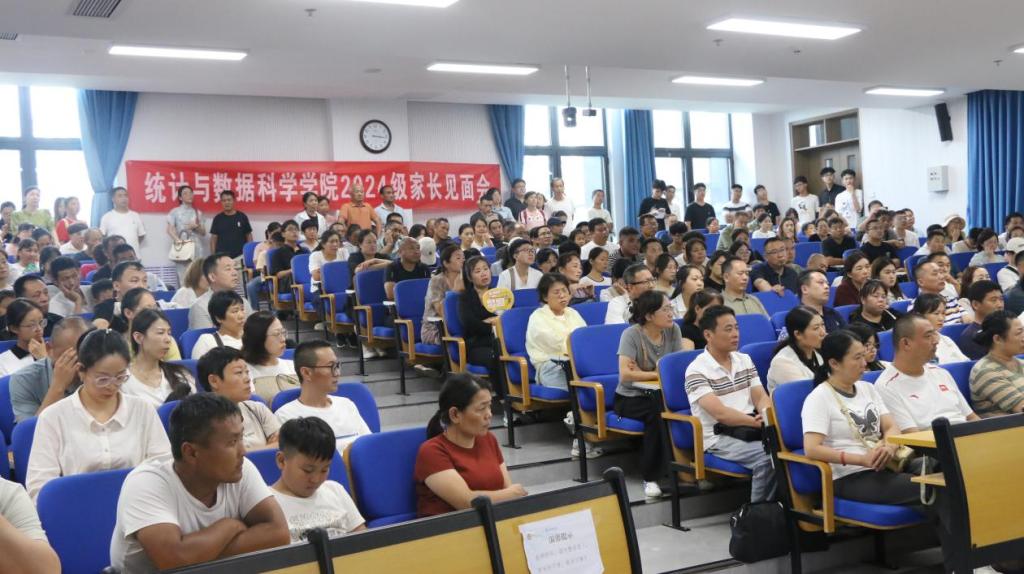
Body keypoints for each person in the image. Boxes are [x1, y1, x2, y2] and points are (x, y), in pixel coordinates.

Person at [109, 393, 290, 573]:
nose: (243, 451)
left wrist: (200, 553)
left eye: (241, 438)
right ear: (191, 452)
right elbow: (173, 561)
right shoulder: (146, 483)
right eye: (232, 442)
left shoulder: (241, 468)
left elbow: (279, 533)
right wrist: (229, 526)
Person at [27, 328, 171, 501]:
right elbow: (40, 487)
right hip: (76, 506)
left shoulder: (142, 410)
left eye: (120, 377)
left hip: (138, 504)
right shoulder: (53, 417)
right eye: (102, 379)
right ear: (81, 371)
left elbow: (163, 466)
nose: (111, 386)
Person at [801, 330, 921, 509]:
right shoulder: (819, 397)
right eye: (857, 358)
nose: (864, 363)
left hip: (886, 464)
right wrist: (861, 460)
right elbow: (812, 449)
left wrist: (889, 447)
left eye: (863, 356)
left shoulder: (867, 388)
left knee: (945, 470)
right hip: (851, 474)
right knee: (930, 487)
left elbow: (891, 427)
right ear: (834, 363)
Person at [684, 305, 775, 502]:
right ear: (708, 335)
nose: (735, 334)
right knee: (769, 457)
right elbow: (721, 414)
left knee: (788, 451)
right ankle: (757, 514)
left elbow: (760, 397)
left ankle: (781, 510)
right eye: (728, 329)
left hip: (751, 427)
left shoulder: (744, 359)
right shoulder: (696, 370)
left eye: (736, 328)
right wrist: (755, 422)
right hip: (718, 437)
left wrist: (767, 416)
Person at [415, 374, 523, 517]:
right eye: (481, 408)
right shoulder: (431, 451)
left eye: (489, 406)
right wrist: (511, 493)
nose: (489, 414)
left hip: (489, 522)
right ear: (455, 415)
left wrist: (509, 494)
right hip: (450, 528)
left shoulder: (488, 439)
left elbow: (506, 488)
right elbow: (467, 502)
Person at [610, 290, 683, 498]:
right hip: (630, 398)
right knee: (656, 412)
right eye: (666, 309)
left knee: (679, 409)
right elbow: (626, 375)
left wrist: (643, 372)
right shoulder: (631, 335)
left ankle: (686, 469)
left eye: (671, 308)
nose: (671, 313)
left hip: (661, 394)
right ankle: (651, 477)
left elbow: (676, 367)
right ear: (649, 315)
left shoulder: (673, 330)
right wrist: (657, 373)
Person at [876, 314, 979, 433]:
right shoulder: (887, 386)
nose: (936, 341)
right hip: (935, 441)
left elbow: (972, 418)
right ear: (906, 343)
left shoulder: (941, 373)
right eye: (928, 336)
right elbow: (913, 436)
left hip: (968, 436)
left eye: (935, 334)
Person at [270, 418, 364, 543]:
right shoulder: (267, 504)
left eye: (324, 470)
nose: (316, 479)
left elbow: (364, 542)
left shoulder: (335, 490)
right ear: (282, 460)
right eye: (307, 470)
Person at [197, 346, 280, 450]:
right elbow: (226, 456)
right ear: (214, 381)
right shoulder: (204, 420)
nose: (247, 379)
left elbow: (283, 445)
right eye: (239, 372)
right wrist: (267, 447)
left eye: (247, 372)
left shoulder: (257, 408)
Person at [10, 316, 88, 423]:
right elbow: (30, 431)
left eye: (87, 355)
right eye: (72, 356)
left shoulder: (99, 369)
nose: (82, 363)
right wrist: (58, 387)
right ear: (49, 349)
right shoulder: (24, 379)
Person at [526, 273, 587, 396]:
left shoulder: (573, 313)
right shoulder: (538, 317)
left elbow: (585, 338)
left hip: (576, 363)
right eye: (556, 292)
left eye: (564, 290)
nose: (562, 295)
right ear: (545, 297)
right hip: (552, 366)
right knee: (584, 388)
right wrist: (579, 353)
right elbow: (557, 345)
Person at [126, 308, 196, 407]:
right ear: (138, 337)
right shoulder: (123, 380)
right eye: (160, 332)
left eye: (169, 333)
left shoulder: (181, 374)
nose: (168, 339)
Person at [968, 311, 1024, 417]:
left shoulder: (1021, 363)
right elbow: (1021, 407)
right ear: (997, 339)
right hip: (1010, 426)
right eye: (1018, 333)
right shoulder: (986, 371)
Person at [458, 256, 502, 385]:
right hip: (477, 344)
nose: (483, 273)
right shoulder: (465, 298)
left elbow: (508, 318)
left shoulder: (500, 294)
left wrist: (489, 321)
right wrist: (494, 324)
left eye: (486, 269)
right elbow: (470, 323)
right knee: (495, 358)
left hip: (500, 340)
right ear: (470, 277)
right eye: (477, 271)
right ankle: (502, 394)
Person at [766, 306, 825, 391]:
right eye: (816, 328)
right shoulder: (782, 362)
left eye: (823, 325)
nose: (823, 332)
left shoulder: (818, 351)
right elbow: (807, 392)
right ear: (798, 334)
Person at [242, 312, 297, 402]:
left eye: (283, 333)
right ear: (258, 338)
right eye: (276, 334)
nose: (283, 339)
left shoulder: (293, 366)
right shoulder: (245, 372)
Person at [189, 253, 253, 330]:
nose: (235, 273)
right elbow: (205, 336)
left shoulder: (243, 302)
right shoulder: (200, 307)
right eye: (228, 269)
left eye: (235, 268)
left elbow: (252, 331)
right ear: (212, 277)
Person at [912, 293, 970, 364]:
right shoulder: (912, 344)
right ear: (919, 316)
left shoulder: (946, 339)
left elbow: (965, 362)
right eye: (936, 313)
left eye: (943, 313)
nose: (941, 318)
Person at [167, 185, 207, 285]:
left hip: (196, 248)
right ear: (180, 198)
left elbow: (203, 232)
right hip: (182, 248)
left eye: (190, 193)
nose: (189, 195)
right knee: (184, 279)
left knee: (197, 277)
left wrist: (196, 226)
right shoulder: (175, 212)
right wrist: (178, 241)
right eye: (185, 193)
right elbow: (170, 230)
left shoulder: (198, 213)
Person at [191, 290, 246, 360]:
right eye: (235, 311)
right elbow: (199, 366)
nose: (241, 316)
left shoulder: (252, 337)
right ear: (218, 318)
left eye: (242, 309)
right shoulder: (207, 341)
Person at [958, 280, 1005, 360]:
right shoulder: (970, 337)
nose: (1000, 305)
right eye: (993, 300)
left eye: (1001, 299)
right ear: (975, 305)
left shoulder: (1008, 328)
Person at [0, 299, 47, 376]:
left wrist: (44, 358)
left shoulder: (54, 349)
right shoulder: (2, 362)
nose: (39, 329)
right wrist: (44, 360)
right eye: (31, 325)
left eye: (41, 322)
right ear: (14, 328)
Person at [913, 260, 965, 325]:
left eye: (941, 273)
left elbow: (968, 321)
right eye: (935, 274)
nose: (942, 277)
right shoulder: (916, 306)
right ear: (921, 282)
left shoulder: (952, 300)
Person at [208, 190, 253, 260]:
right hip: (222, 258)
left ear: (234, 201)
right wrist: (213, 257)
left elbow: (249, 236)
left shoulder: (242, 217)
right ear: (221, 202)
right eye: (224, 200)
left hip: (240, 257)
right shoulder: (217, 218)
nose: (227, 203)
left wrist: (249, 253)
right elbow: (213, 239)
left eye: (229, 200)